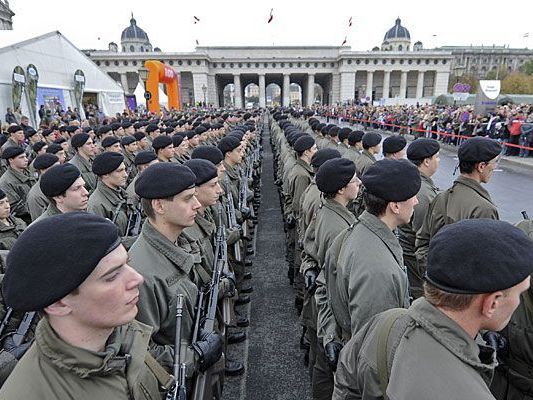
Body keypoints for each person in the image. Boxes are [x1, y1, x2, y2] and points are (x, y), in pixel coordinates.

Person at [333, 219, 533, 400]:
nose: (517, 302)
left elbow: (346, 382)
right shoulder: (471, 393)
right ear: (492, 303)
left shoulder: (386, 322)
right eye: (519, 293)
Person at [0, 212, 168, 399]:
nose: (138, 278)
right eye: (112, 276)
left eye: (127, 263)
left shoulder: (122, 331)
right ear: (58, 304)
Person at [128, 163, 223, 381]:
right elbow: (141, 352)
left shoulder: (179, 241)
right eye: (188, 198)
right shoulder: (142, 274)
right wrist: (194, 357)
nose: (197, 205)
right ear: (159, 206)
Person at [327, 159, 420, 340]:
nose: (416, 201)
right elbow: (373, 346)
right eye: (412, 196)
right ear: (395, 206)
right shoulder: (378, 269)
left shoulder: (352, 233)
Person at [301, 158, 360, 400]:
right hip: (329, 306)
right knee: (325, 369)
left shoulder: (328, 210)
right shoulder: (338, 227)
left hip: (321, 301)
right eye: (354, 181)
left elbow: (308, 249)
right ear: (341, 189)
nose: (359, 184)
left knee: (320, 361)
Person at [416, 136, 501, 270]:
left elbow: (422, 244)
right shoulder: (484, 209)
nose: (495, 167)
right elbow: (486, 262)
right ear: (481, 166)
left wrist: (433, 276)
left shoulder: (441, 197)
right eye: (495, 162)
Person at [398, 138, 440, 299]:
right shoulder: (422, 192)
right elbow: (423, 234)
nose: (438, 160)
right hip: (415, 259)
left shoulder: (419, 182)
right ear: (426, 162)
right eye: (436, 157)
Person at [88, 152, 131, 237]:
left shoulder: (121, 193)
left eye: (125, 170)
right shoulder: (96, 204)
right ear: (105, 174)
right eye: (119, 171)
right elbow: (102, 239)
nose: (125, 175)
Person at [0, 147, 36, 224]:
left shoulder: (28, 173)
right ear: (10, 160)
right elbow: (16, 208)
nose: (26, 159)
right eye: (21, 157)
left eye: (25, 156)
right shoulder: (5, 182)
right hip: (26, 220)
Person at [26, 153, 59, 221]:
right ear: (43, 170)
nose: (59, 169)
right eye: (55, 167)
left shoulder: (62, 183)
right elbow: (39, 223)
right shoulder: (35, 196)